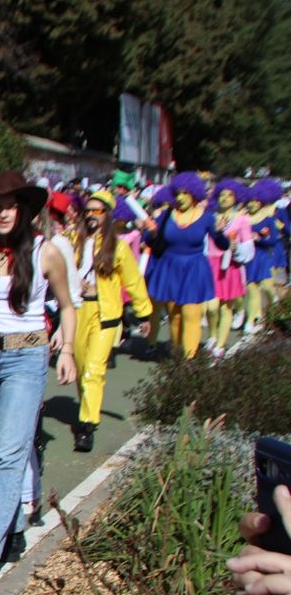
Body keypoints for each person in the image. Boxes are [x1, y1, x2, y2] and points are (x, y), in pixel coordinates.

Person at [0, 171, 77, 590]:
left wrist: (68, 349)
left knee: (10, 452)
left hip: (25, 356)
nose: (3, 213)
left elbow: (67, 305)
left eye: (10, 206)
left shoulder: (46, 253)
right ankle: (10, 530)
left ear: (25, 209)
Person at [67, 191, 152, 453]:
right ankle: (87, 410)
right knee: (82, 370)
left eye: (98, 211)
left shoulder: (118, 247)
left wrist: (143, 312)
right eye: (88, 211)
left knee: (94, 369)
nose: (92, 215)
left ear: (108, 215)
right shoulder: (72, 240)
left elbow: (133, 280)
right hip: (77, 312)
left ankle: (87, 425)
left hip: (105, 315)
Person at [141, 170, 220, 359]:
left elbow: (222, 243)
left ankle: (189, 361)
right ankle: (177, 353)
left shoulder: (207, 217)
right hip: (170, 268)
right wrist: (150, 232)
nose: (180, 197)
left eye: (185, 193)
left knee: (191, 314)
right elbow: (151, 241)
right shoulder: (167, 215)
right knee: (175, 316)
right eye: (177, 193)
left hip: (194, 268)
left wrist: (221, 233)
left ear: (194, 193)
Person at [205, 178, 252, 356]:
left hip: (230, 267)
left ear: (236, 198)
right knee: (211, 307)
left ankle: (220, 345)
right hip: (210, 265)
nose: (225, 198)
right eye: (222, 194)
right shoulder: (209, 217)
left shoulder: (242, 220)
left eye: (229, 195)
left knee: (226, 307)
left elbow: (248, 246)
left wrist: (237, 248)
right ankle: (213, 335)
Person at [245, 178, 286, 333]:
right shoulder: (244, 218)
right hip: (250, 257)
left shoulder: (273, 215)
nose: (252, 204)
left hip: (267, 256)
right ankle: (253, 319)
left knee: (267, 288)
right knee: (252, 289)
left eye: (255, 201)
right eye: (250, 201)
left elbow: (276, 238)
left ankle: (273, 308)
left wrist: (261, 238)